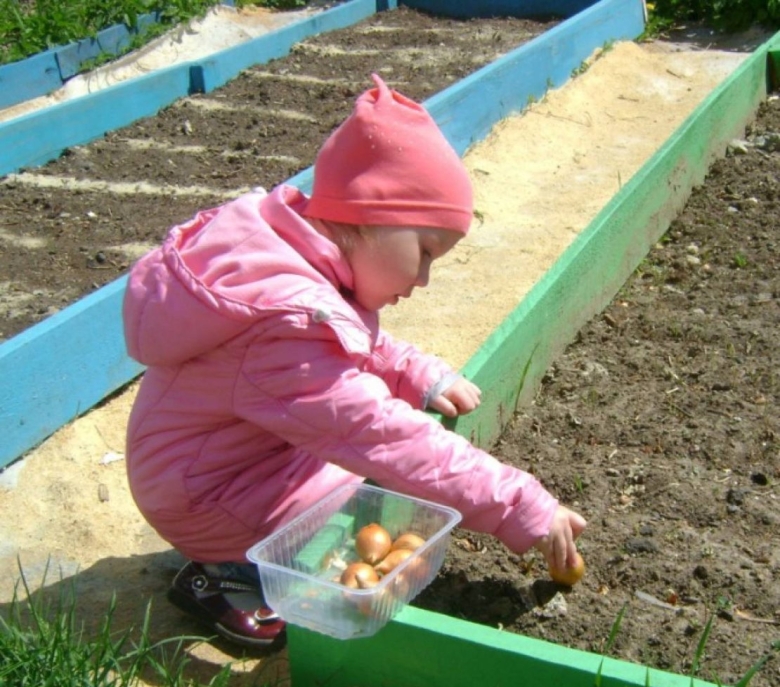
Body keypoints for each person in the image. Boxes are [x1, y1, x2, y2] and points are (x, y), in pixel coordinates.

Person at [123, 74, 586, 649]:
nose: (422, 279)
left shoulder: (299, 266)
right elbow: (380, 434)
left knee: (369, 497)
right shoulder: (286, 327)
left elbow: (355, 344)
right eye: (423, 253)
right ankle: (223, 579)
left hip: (241, 463)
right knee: (341, 539)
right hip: (207, 495)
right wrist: (520, 502)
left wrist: (418, 373)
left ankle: (246, 560)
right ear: (372, 217)